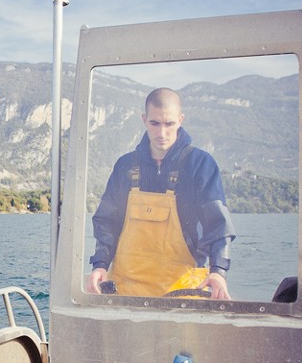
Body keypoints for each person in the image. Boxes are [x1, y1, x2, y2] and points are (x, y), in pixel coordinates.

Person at [87, 88, 235, 299]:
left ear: (181, 120)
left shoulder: (201, 164)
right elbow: (106, 222)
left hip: (182, 292)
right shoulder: (125, 166)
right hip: (125, 291)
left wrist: (218, 272)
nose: (162, 133)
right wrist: (100, 265)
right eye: (155, 123)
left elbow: (218, 225)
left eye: (169, 124)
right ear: (144, 119)